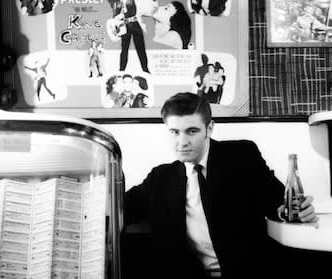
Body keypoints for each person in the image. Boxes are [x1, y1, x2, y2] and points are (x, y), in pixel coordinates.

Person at [124, 92, 317, 278]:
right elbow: (122, 208)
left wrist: (298, 211)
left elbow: (277, 202)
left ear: (209, 128)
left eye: (192, 131)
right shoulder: (161, 177)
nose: (182, 142)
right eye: (174, 132)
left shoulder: (242, 156)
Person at [119, 0, 164, 73]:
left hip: (134, 24)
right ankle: (121, 70)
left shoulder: (131, 1)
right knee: (125, 49)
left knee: (140, 49)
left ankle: (145, 70)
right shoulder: (123, 0)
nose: (156, 5)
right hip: (126, 25)